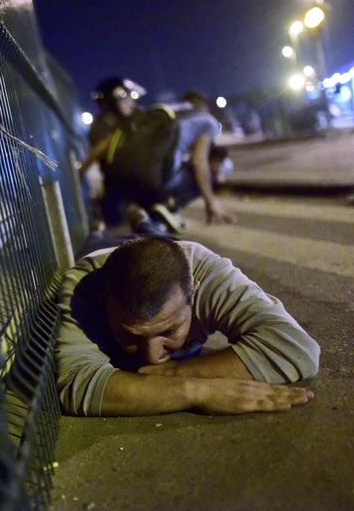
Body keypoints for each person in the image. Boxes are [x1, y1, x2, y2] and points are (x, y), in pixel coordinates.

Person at [55, 236, 320, 416]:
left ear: (193, 294)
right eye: (130, 335)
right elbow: (76, 383)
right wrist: (197, 390)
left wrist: (173, 372)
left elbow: (297, 349)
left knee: (155, 239)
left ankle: (145, 223)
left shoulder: (208, 274)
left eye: (169, 331)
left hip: (164, 249)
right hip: (104, 250)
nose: (152, 355)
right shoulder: (85, 289)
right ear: (104, 303)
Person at [79, 77, 236, 235]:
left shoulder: (153, 114)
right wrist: (211, 201)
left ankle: (149, 219)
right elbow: (198, 161)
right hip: (154, 181)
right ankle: (170, 205)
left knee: (146, 181)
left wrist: (79, 172)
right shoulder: (207, 121)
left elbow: (105, 144)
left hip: (127, 184)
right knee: (203, 175)